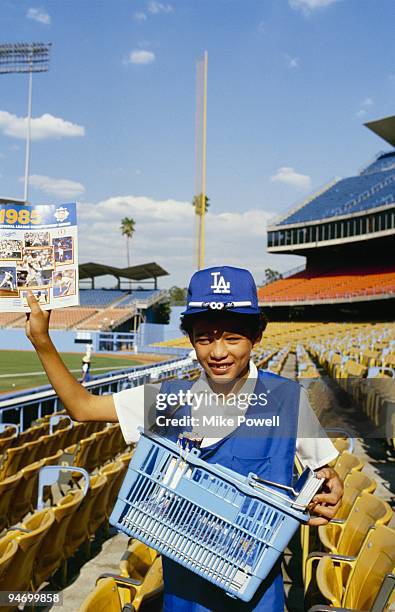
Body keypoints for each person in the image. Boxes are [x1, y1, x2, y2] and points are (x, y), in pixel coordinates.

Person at [25, 265, 343, 612]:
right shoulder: (170, 399)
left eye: (233, 338)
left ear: (256, 337)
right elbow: (83, 407)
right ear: (191, 339)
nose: (218, 352)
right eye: (205, 337)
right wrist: (42, 340)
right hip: (185, 597)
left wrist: (330, 485)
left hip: (258, 599)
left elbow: (325, 473)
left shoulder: (288, 399)